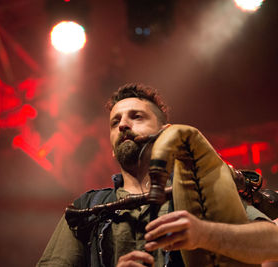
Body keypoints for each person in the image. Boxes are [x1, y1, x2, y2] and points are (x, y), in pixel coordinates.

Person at [37, 83, 278, 267]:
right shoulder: (86, 207)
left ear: (167, 134)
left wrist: (204, 234)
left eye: (137, 116)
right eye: (115, 122)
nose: (122, 125)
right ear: (111, 148)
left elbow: (273, 242)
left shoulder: (201, 190)